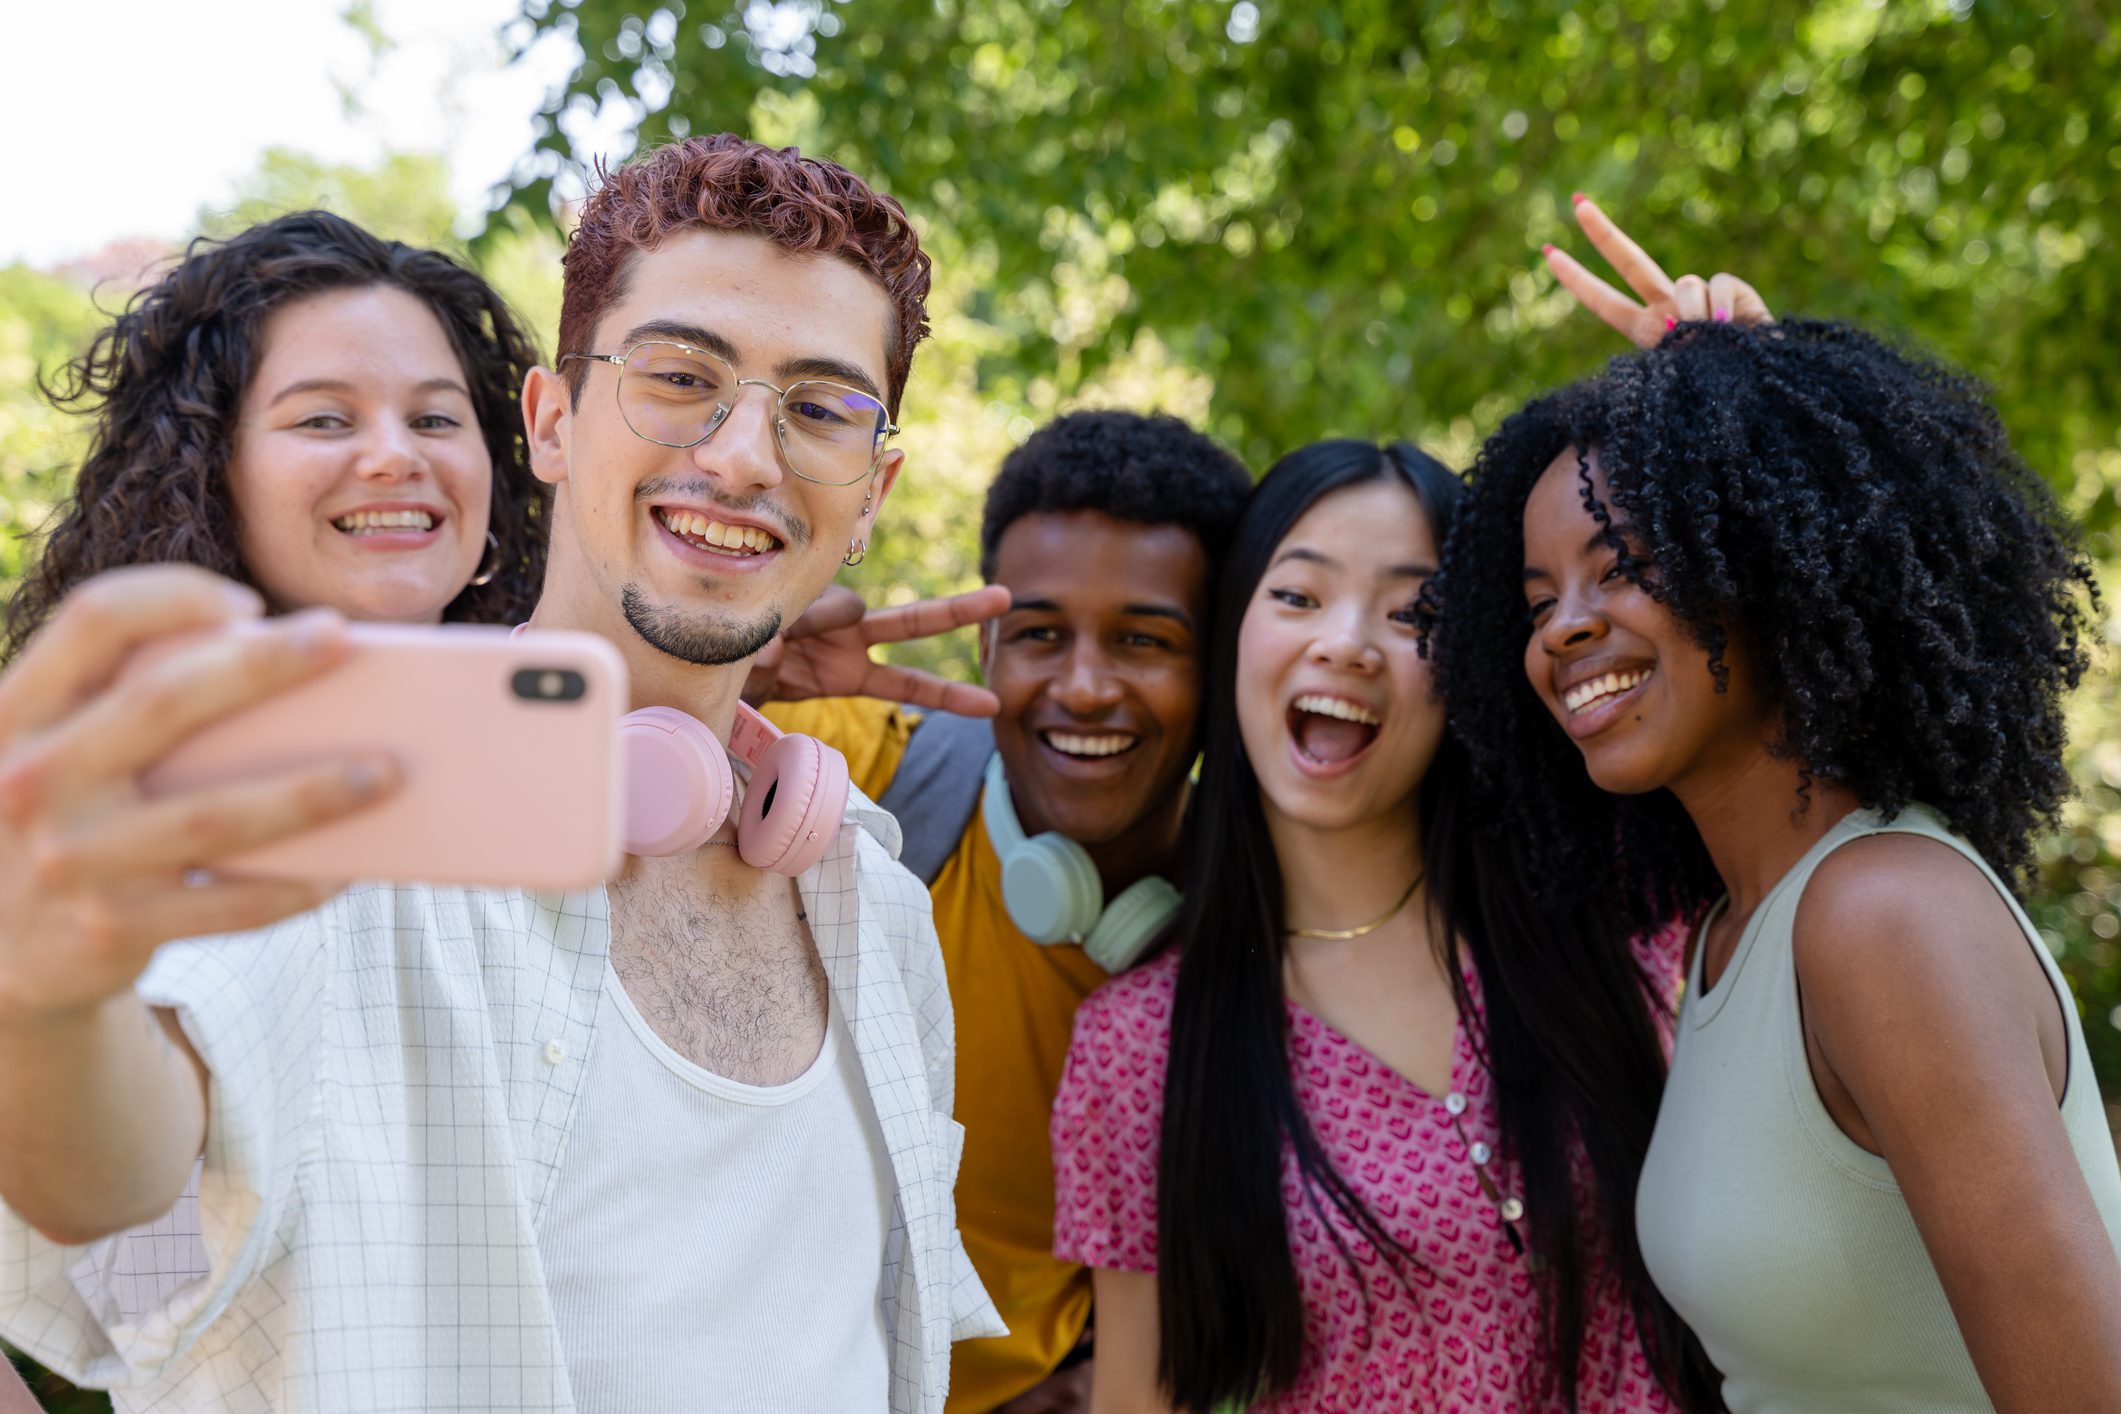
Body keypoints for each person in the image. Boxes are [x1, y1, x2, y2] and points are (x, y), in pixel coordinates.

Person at [0, 134, 999, 1414]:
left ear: (873, 489)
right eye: (680, 376)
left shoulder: (876, 899)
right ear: (549, 423)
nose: (746, 455)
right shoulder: (344, 810)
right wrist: (49, 994)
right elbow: (110, 1177)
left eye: (819, 408)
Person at [1433, 316, 2121, 1410]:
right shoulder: (1729, 934)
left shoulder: (1882, 915)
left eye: (1622, 565)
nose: (1563, 628)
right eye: (1535, 601)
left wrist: (1739, 402)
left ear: (1765, 560)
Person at [1050, 439, 1709, 1412]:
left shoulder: (1600, 893)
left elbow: (1800, 710)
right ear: (1234, 636)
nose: (1348, 642)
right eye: (1299, 597)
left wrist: (1732, 405)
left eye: (1410, 612)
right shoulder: (1139, 1047)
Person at [759, 409, 1254, 1411]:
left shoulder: (1270, 919)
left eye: (1145, 641)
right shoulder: (845, 768)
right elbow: (535, 807)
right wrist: (707, 680)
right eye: (1038, 634)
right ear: (986, 645)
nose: (1083, 686)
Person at [4, 209, 551, 658]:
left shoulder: (589, 737)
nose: (395, 456)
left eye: (434, 419)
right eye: (323, 420)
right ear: (203, 468)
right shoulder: (97, 762)